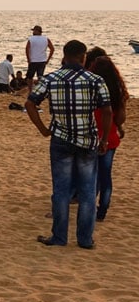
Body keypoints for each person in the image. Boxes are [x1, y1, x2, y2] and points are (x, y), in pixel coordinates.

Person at [25, 40, 111, 249]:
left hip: (61, 139)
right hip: (87, 139)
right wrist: (104, 139)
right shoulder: (95, 80)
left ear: (63, 56)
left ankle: (59, 236)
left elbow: (30, 103)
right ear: (83, 58)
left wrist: (43, 129)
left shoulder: (51, 78)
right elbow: (107, 110)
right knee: (88, 192)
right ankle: (85, 239)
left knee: (61, 190)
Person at [87, 54, 129, 222]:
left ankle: (88, 207)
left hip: (90, 135)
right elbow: (119, 118)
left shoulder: (90, 87)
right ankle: (102, 210)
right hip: (109, 136)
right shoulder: (117, 93)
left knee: (90, 175)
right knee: (106, 176)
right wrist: (118, 126)